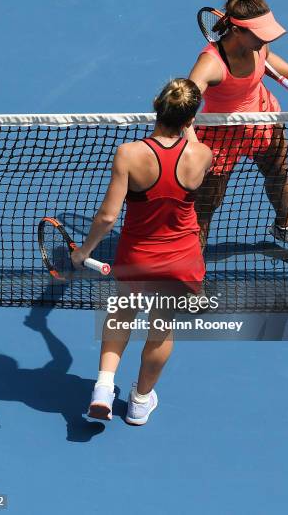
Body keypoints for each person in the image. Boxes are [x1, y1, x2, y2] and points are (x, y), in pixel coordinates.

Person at [70, 79, 212, 425]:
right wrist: (189, 127)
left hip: (137, 258)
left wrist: (82, 252)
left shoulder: (129, 154)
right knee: (161, 328)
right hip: (181, 262)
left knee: (120, 315)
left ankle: (103, 388)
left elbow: (107, 216)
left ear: (156, 105)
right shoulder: (204, 155)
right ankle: (139, 402)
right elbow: (189, 148)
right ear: (191, 118)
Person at [189, 0, 288, 258]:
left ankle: (285, 227)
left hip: (263, 118)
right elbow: (185, 103)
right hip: (219, 134)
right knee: (206, 203)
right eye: (260, 35)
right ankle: (192, 257)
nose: (265, 40)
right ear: (238, 31)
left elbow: (267, 57)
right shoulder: (210, 63)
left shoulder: (257, 44)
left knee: (278, 175)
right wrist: (190, 141)